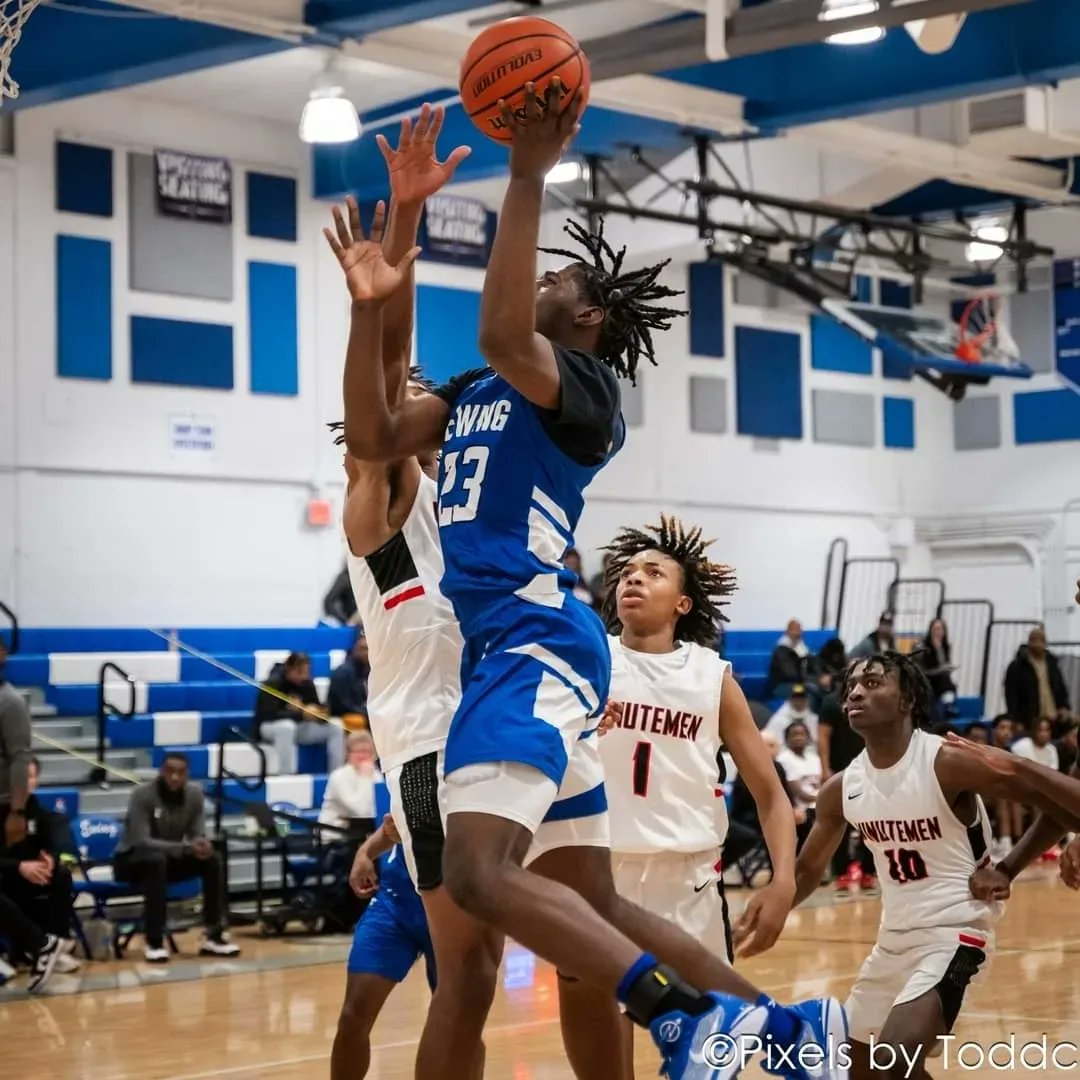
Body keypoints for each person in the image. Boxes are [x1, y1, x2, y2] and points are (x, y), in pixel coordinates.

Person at [327, 82, 845, 1080]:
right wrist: (379, 287)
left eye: (559, 275)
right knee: (592, 903)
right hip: (510, 658)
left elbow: (498, 334)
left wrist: (527, 171)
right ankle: (787, 1030)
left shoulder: (587, 394)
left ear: (591, 315)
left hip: (533, 644)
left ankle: (682, 1019)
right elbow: (378, 428)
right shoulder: (475, 393)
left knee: (478, 877)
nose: (544, 276)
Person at [326, 103, 501, 1080]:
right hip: (427, 751)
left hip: (475, 734)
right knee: (465, 973)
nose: (421, 402)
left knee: (474, 976)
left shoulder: (456, 504)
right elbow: (387, 378)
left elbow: (399, 374)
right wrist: (402, 230)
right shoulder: (380, 502)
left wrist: (406, 230)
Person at [565, 517, 802, 1078]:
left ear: (683, 603)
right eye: (627, 571)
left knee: (711, 1061)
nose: (634, 578)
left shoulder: (711, 677)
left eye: (654, 573)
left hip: (688, 882)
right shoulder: (587, 660)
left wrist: (783, 881)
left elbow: (770, 794)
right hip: (597, 877)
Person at [785, 651, 1080, 1078]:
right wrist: (760, 916)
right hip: (891, 941)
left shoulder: (946, 761)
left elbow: (1058, 803)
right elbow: (806, 871)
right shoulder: (842, 787)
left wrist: (1007, 867)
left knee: (894, 1059)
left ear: (906, 699)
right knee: (860, 1069)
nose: (855, 692)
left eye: (872, 683)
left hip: (956, 933)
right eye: (851, 686)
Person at [331, 813, 435, 1080]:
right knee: (354, 1014)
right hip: (395, 902)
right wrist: (365, 851)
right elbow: (397, 822)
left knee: (458, 1024)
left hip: (452, 904)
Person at [112, 753, 240, 963]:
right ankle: (154, 941)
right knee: (156, 860)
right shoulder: (142, 795)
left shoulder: (194, 794)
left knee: (212, 860)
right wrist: (185, 847)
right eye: (170, 771)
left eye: (180, 773)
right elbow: (141, 841)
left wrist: (201, 845)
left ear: (187, 775)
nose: (174, 777)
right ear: (161, 772)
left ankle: (214, 935)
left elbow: (196, 833)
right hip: (131, 861)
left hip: (167, 860)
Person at [0, 640, 61, 991]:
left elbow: (21, 758)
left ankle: (40, 942)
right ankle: (38, 943)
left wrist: (17, 811)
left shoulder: (9, 701)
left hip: (4, 804)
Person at [254, 651, 344, 775]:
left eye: (306, 672)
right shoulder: (272, 683)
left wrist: (321, 713)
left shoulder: (307, 683)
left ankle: (336, 774)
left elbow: (314, 706)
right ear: (288, 668)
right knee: (286, 727)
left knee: (336, 725)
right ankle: (286, 775)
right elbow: (267, 714)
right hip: (270, 727)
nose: (303, 676)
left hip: (300, 727)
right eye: (299, 672)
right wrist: (302, 714)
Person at [1004, 627, 1071, 733]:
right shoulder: (1018, 665)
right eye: (1034, 640)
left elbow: (1060, 687)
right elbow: (1011, 695)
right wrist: (1016, 720)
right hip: (1029, 719)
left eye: (1041, 640)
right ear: (1029, 642)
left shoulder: (1052, 663)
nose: (1038, 644)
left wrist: (1064, 706)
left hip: (1053, 717)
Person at [318, 732, 380, 831]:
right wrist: (365, 778)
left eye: (367, 751)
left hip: (365, 832)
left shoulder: (376, 775)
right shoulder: (338, 777)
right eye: (358, 751)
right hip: (337, 834)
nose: (363, 756)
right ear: (348, 754)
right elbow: (361, 811)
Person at [777, 722, 822, 849]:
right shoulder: (784, 759)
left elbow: (824, 782)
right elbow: (800, 795)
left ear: (808, 737)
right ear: (786, 739)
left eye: (802, 734)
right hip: (799, 809)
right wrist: (825, 798)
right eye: (794, 735)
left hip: (818, 805)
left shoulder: (814, 758)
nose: (799, 737)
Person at [917, 619, 957, 720]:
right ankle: (946, 708)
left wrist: (939, 650)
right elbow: (921, 671)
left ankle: (948, 706)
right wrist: (941, 670)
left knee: (949, 682)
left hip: (940, 683)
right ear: (930, 630)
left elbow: (944, 665)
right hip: (925, 683)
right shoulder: (922, 646)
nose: (938, 632)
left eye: (940, 629)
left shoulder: (945, 647)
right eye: (935, 629)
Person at [327, 632, 370, 721]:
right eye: (363, 649)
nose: (367, 653)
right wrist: (367, 714)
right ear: (355, 649)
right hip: (345, 715)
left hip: (362, 712)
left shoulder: (367, 670)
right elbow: (344, 705)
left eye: (369, 649)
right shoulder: (342, 673)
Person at [766, 620, 810, 700]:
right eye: (794, 630)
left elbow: (812, 666)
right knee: (804, 691)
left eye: (799, 630)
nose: (797, 633)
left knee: (815, 690)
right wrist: (805, 678)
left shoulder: (803, 649)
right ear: (787, 632)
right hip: (782, 686)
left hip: (800, 684)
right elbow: (789, 673)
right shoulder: (780, 650)